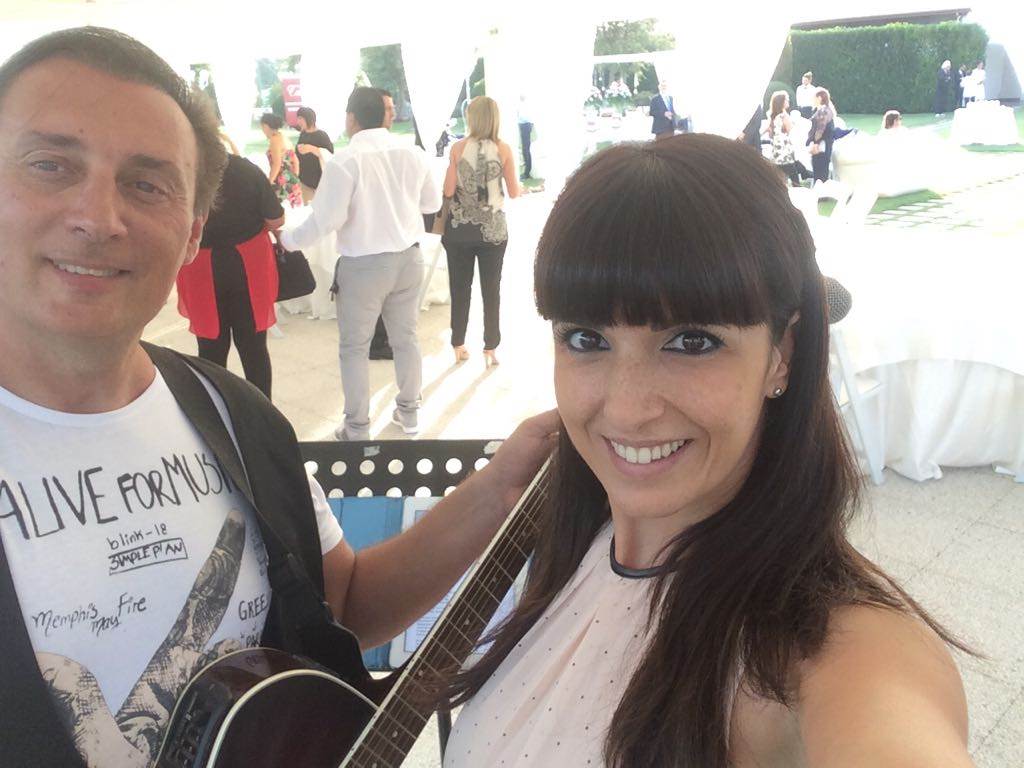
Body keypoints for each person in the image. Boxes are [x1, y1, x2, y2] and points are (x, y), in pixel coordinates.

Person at [0, 27, 556, 768]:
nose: (98, 218)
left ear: (192, 233)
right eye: (50, 165)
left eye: (146, 184)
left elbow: (343, 605)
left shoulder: (234, 416)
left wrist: (502, 486)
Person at [441, 135, 972, 767]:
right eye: (585, 338)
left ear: (782, 355)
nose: (627, 408)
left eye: (691, 342)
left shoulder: (834, 650)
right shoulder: (574, 538)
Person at [281, 86, 439, 439]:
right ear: (385, 115)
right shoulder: (413, 153)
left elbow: (326, 221)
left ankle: (357, 427)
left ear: (351, 118)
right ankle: (409, 413)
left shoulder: (346, 160)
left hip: (364, 266)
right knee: (406, 338)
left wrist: (288, 240)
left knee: (354, 347)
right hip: (409, 258)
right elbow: (431, 205)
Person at [176, 149, 284, 398]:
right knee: (254, 348)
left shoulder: (183, 172)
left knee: (210, 349)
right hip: (247, 266)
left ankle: (216, 411)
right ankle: (261, 411)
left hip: (200, 269)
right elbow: (276, 219)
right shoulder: (246, 169)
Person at [442, 96, 520, 368]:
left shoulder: (457, 148)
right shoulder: (504, 149)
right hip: (493, 231)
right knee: (491, 289)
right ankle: (491, 347)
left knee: (459, 288)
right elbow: (514, 192)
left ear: (471, 117)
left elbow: (448, 190)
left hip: (459, 231)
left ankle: (458, 344)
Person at [260, 112, 302, 207]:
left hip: (281, 181)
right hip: (291, 180)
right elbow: (296, 161)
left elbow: (277, 164)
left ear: (265, 126)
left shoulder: (274, 140)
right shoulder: (283, 137)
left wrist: (269, 182)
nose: (263, 131)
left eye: (262, 127)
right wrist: (294, 178)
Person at [294, 105, 334, 204]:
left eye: (300, 118)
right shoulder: (303, 134)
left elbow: (330, 156)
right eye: (298, 118)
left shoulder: (322, 135)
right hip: (304, 182)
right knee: (308, 209)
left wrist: (312, 149)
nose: (298, 121)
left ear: (308, 119)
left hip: (320, 183)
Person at [766, 90, 804, 186]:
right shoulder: (784, 115)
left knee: (779, 176)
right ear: (781, 102)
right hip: (785, 151)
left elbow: (770, 134)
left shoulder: (772, 116)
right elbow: (789, 129)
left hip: (776, 150)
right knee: (794, 176)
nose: (788, 101)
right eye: (786, 100)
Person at [807, 87, 835, 183]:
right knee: (821, 171)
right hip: (824, 145)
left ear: (819, 98)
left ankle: (820, 189)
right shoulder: (825, 110)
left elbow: (820, 129)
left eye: (814, 98)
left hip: (821, 146)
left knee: (819, 172)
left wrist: (815, 143)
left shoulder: (823, 111)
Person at [517, 93, 534, 181]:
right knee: (525, 149)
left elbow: (523, 117)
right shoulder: (523, 104)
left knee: (526, 149)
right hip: (525, 125)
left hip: (525, 125)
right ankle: (526, 172)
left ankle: (526, 173)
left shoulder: (524, 104)